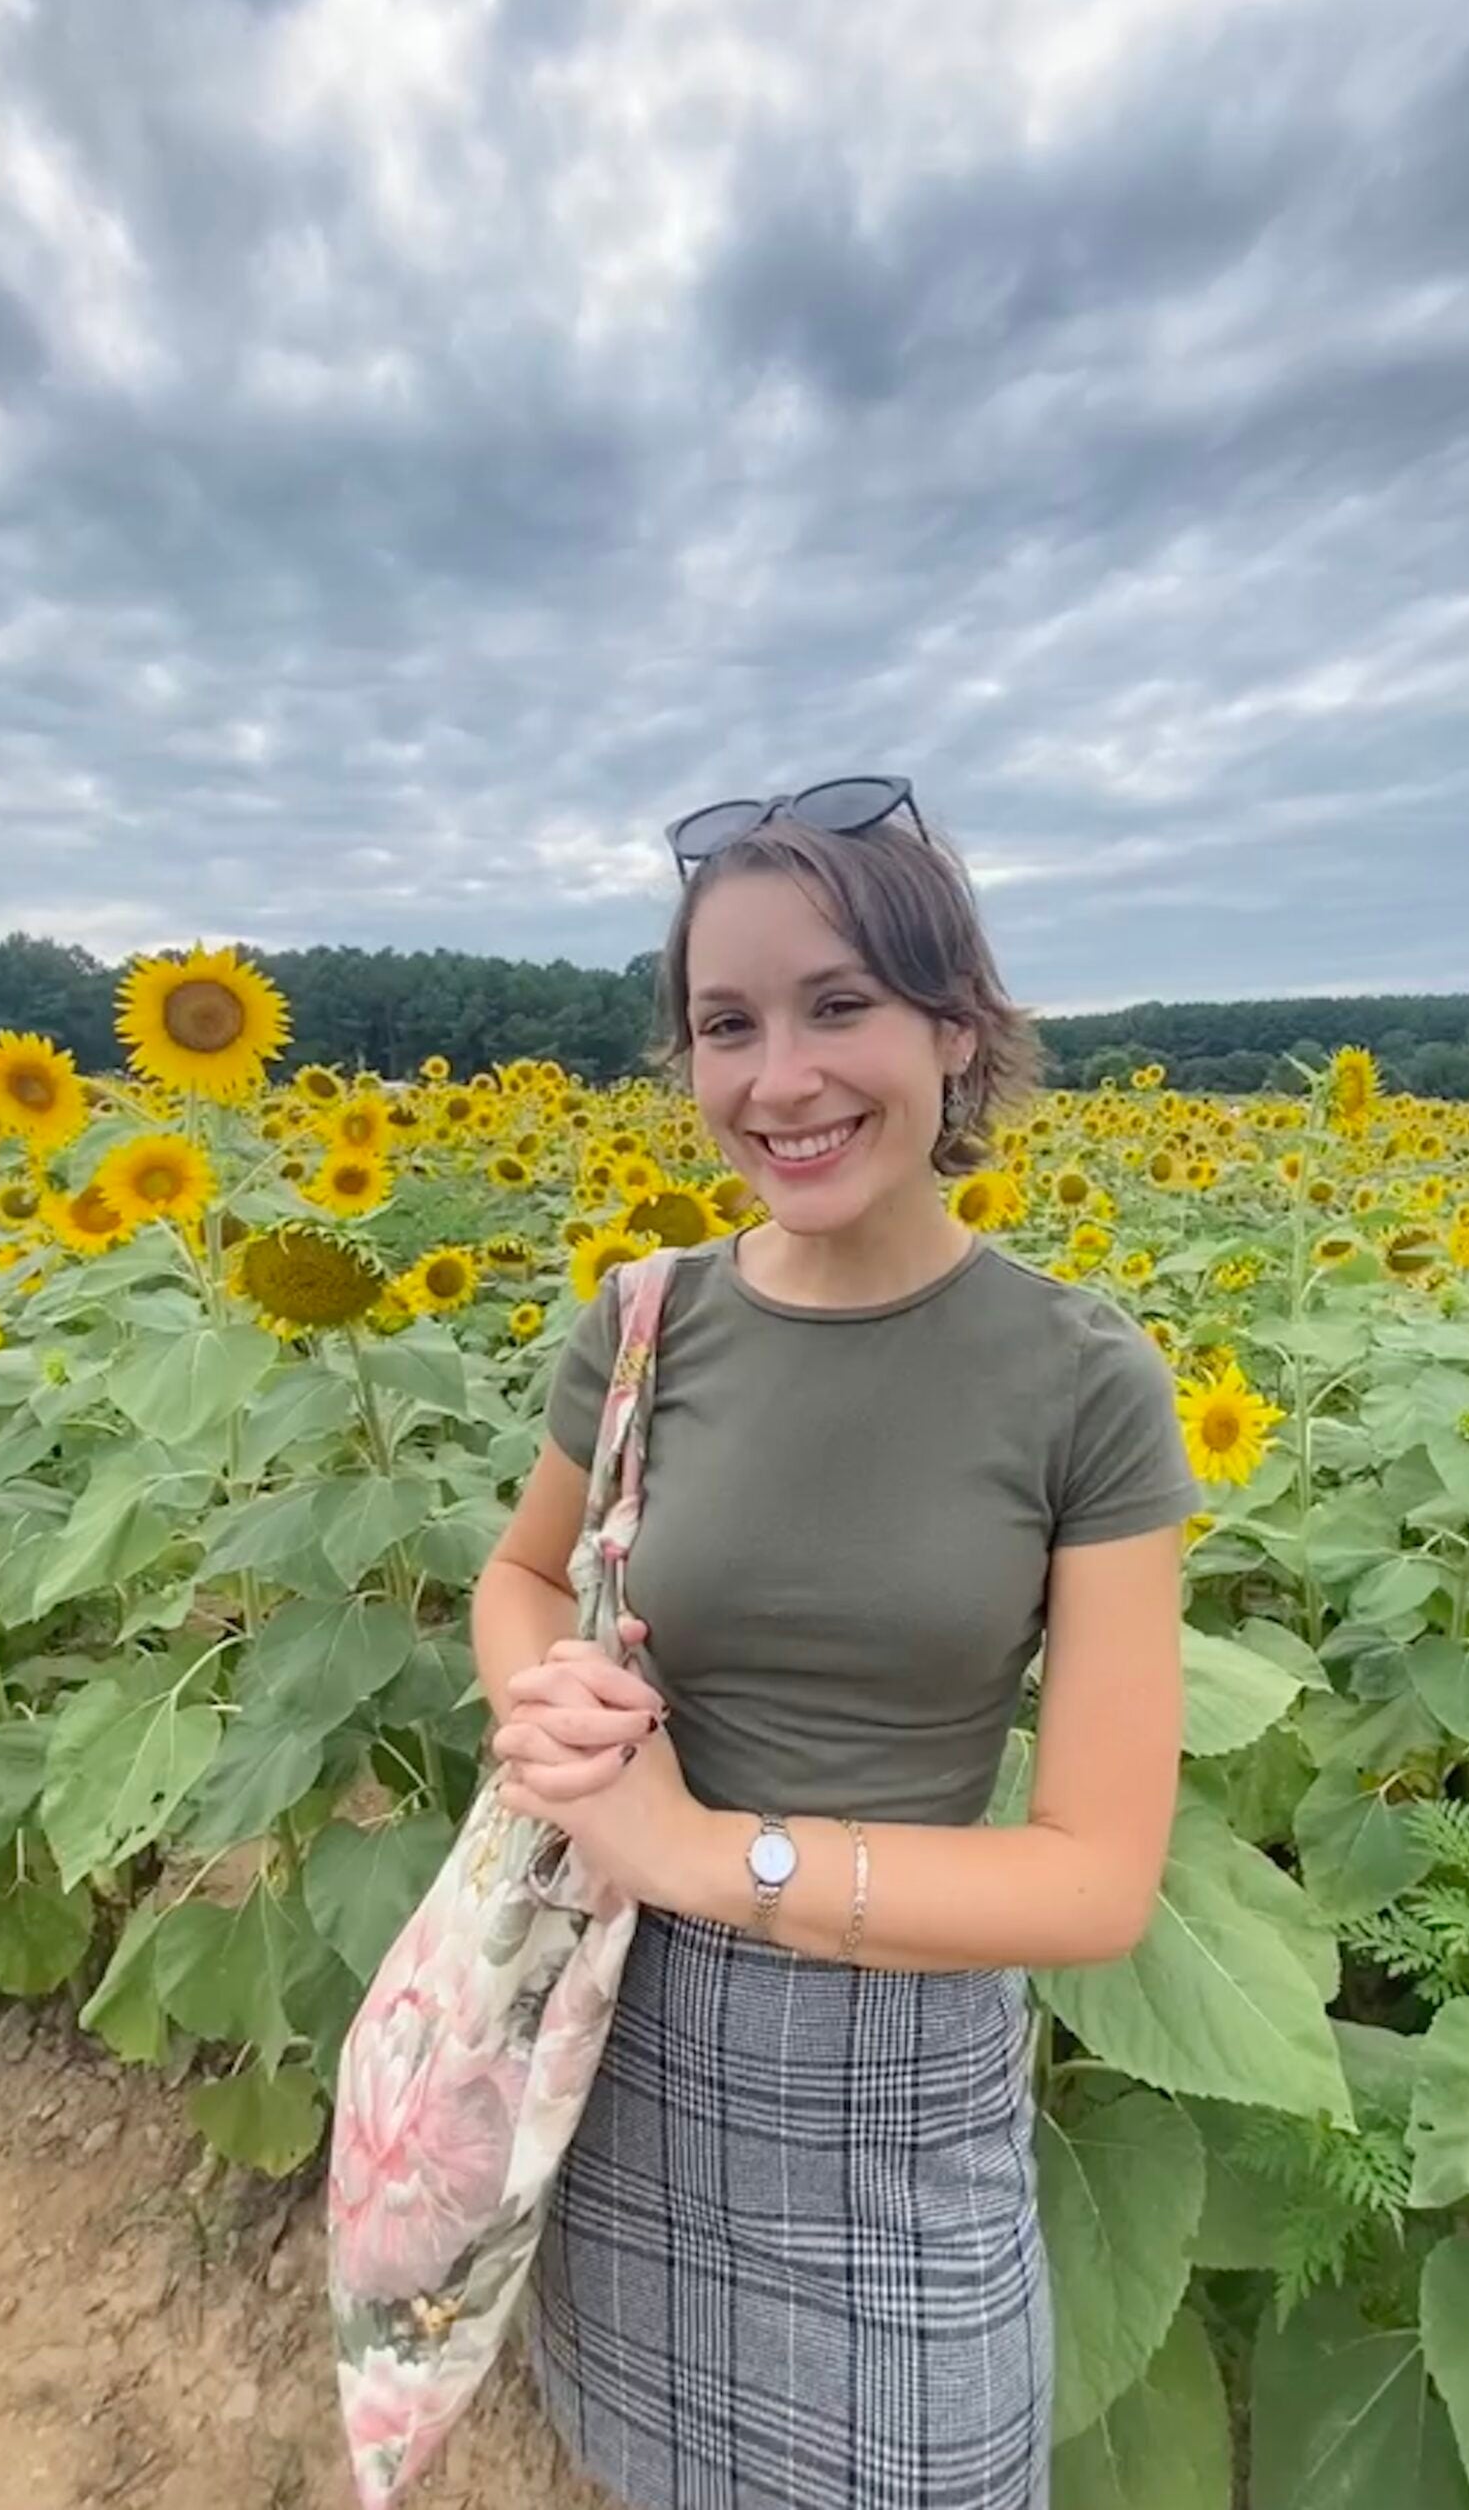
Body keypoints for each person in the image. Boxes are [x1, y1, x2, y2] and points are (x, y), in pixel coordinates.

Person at [468, 778, 1199, 2510]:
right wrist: (550, 1705)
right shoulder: (647, 1323)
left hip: (895, 2084)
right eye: (728, 1025)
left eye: (840, 1004)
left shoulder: (1082, 1379)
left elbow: (1093, 1887)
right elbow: (517, 1576)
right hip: (614, 2036)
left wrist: (704, 1849)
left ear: (957, 1031)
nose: (778, 1080)